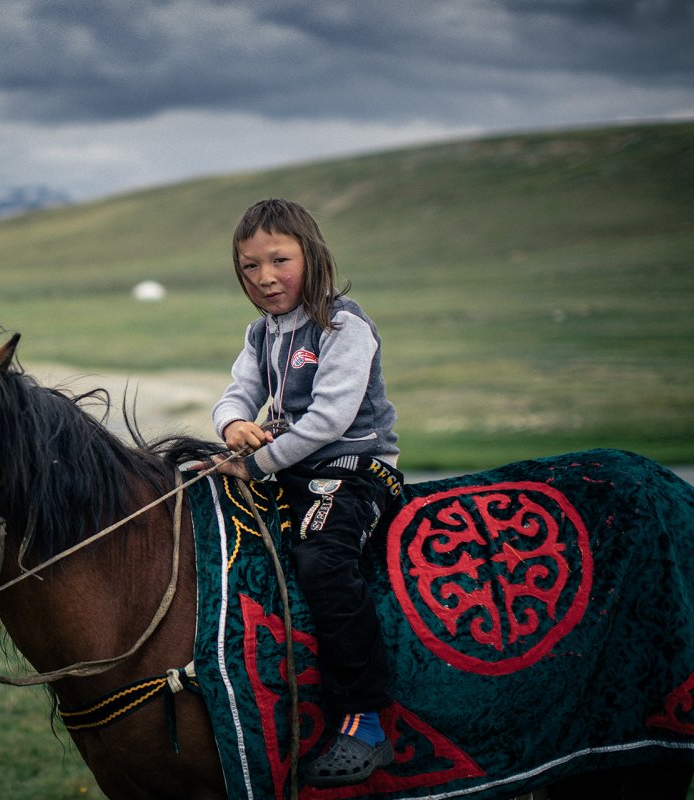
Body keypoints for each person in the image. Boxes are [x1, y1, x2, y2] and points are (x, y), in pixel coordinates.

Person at [211, 198, 403, 787]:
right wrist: (232, 425)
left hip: (355, 468)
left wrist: (256, 463)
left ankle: (366, 719)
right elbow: (237, 393)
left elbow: (328, 420)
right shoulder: (260, 333)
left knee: (322, 559)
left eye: (279, 260)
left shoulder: (343, 326)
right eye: (249, 266)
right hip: (292, 468)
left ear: (312, 256)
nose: (265, 278)